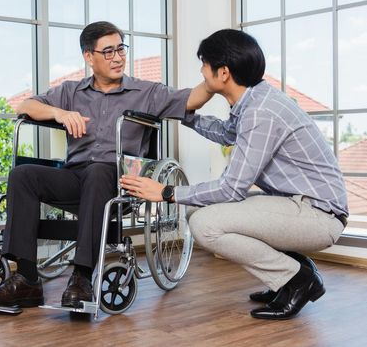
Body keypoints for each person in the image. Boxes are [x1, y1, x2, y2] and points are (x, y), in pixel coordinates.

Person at [0, 21, 211, 309]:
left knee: (100, 170)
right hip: (76, 177)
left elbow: (192, 99)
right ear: (89, 57)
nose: (117, 57)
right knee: (22, 175)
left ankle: (82, 277)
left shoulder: (146, 92)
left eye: (121, 49)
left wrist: (217, 77)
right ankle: (26, 280)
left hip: (118, 181)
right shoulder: (71, 92)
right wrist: (59, 113)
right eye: (108, 51)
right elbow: (24, 107)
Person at [120, 29, 348, 320]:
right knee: (202, 213)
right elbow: (227, 134)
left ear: (223, 72)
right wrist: (184, 114)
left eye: (204, 65)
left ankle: (296, 280)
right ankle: (291, 273)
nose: (202, 72)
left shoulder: (261, 112)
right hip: (299, 205)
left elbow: (231, 189)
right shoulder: (254, 100)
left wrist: (166, 193)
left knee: (205, 225)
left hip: (319, 216)